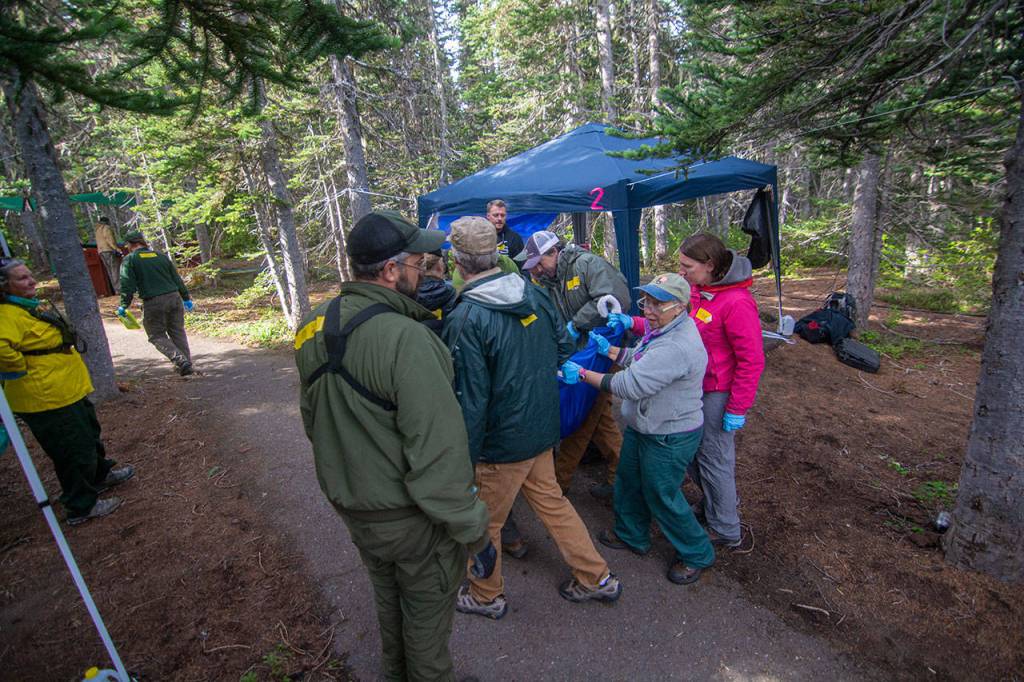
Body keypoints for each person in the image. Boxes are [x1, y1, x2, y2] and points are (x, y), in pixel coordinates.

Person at [294, 210, 492, 681]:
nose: (423, 272)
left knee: (390, 607)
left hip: (356, 508)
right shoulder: (408, 340)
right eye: (419, 263)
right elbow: (439, 453)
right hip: (410, 520)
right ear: (390, 270)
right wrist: (474, 531)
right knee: (426, 633)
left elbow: (312, 420)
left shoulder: (312, 325)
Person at [442, 216, 622, 619]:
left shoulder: (466, 318)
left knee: (484, 523)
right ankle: (597, 578)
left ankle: (485, 595)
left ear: (458, 261)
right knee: (553, 503)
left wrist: (462, 459)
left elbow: (469, 399)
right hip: (540, 427)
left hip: (501, 443)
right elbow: (562, 347)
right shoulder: (531, 292)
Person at [564, 273, 715, 584]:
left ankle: (697, 553)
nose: (648, 310)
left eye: (658, 304)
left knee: (661, 494)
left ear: (680, 307)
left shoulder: (678, 344)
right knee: (629, 479)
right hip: (645, 425)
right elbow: (641, 358)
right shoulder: (662, 330)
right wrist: (611, 351)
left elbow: (629, 384)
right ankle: (632, 534)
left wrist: (581, 374)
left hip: (669, 433)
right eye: (647, 301)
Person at [0, 258, 134, 525]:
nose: (31, 281)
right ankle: (81, 505)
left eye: (30, 275)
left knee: (89, 435)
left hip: (66, 388)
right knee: (72, 449)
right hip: (45, 396)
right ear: (5, 286)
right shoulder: (7, 314)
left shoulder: (27, 308)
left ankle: (99, 476)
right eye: (22, 278)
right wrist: (21, 367)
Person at [521, 230, 630, 499]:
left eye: (538, 263)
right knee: (598, 416)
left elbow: (615, 298)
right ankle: (622, 478)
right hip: (580, 354)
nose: (535, 270)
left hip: (603, 352)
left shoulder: (586, 265)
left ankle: (560, 483)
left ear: (554, 253)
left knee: (583, 419)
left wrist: (577, 323)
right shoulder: (551, 279)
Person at [678, 233, 765, 548]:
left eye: (687, 265)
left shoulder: (737, 303)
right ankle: (718, 502)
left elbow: (752, 360)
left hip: (718, 391)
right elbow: (680, 327)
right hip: (695, 387)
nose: (681, 271)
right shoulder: (702, 291)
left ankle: (726, 528)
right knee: (692, 453)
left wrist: (737, 408)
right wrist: (634, 324)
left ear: (709, 265)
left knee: (714, 458)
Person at [118, 231, 195, 376]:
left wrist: (124, 304)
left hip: (154, 302)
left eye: (127, 244)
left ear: (130, 244)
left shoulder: (130, 259)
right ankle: (186, 365)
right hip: (174, 298)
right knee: (177, 331)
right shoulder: (161, 257)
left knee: (156, 335)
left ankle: (181, 361)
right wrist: (186, 298)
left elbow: (127, 285)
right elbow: (177, 279)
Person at [415, 250, 457, 335]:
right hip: (442, 338)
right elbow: (452, 320)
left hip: (416, 334)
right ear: (440, 268)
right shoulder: (449, 291)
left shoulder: (411, 290)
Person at [93, 216, 121, 295]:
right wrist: (116, 249)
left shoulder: (97, 230)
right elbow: (109, 240)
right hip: (109, 250)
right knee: (115, 270)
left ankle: (116, 289)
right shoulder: (106, 228)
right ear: (107, 222)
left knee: (110, 271)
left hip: (101, 251)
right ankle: (119, 289)